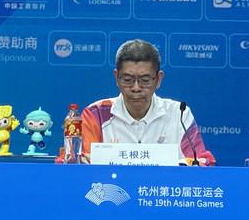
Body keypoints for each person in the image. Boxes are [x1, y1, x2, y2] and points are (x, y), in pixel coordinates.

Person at [80, 39, 215, 165]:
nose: (136, 88)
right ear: (116, 77)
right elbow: (85, 165)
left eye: (145, 80)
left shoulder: (179, 113)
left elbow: (202, 162)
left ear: (158, 79)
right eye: (127, 80)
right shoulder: (96, 114)